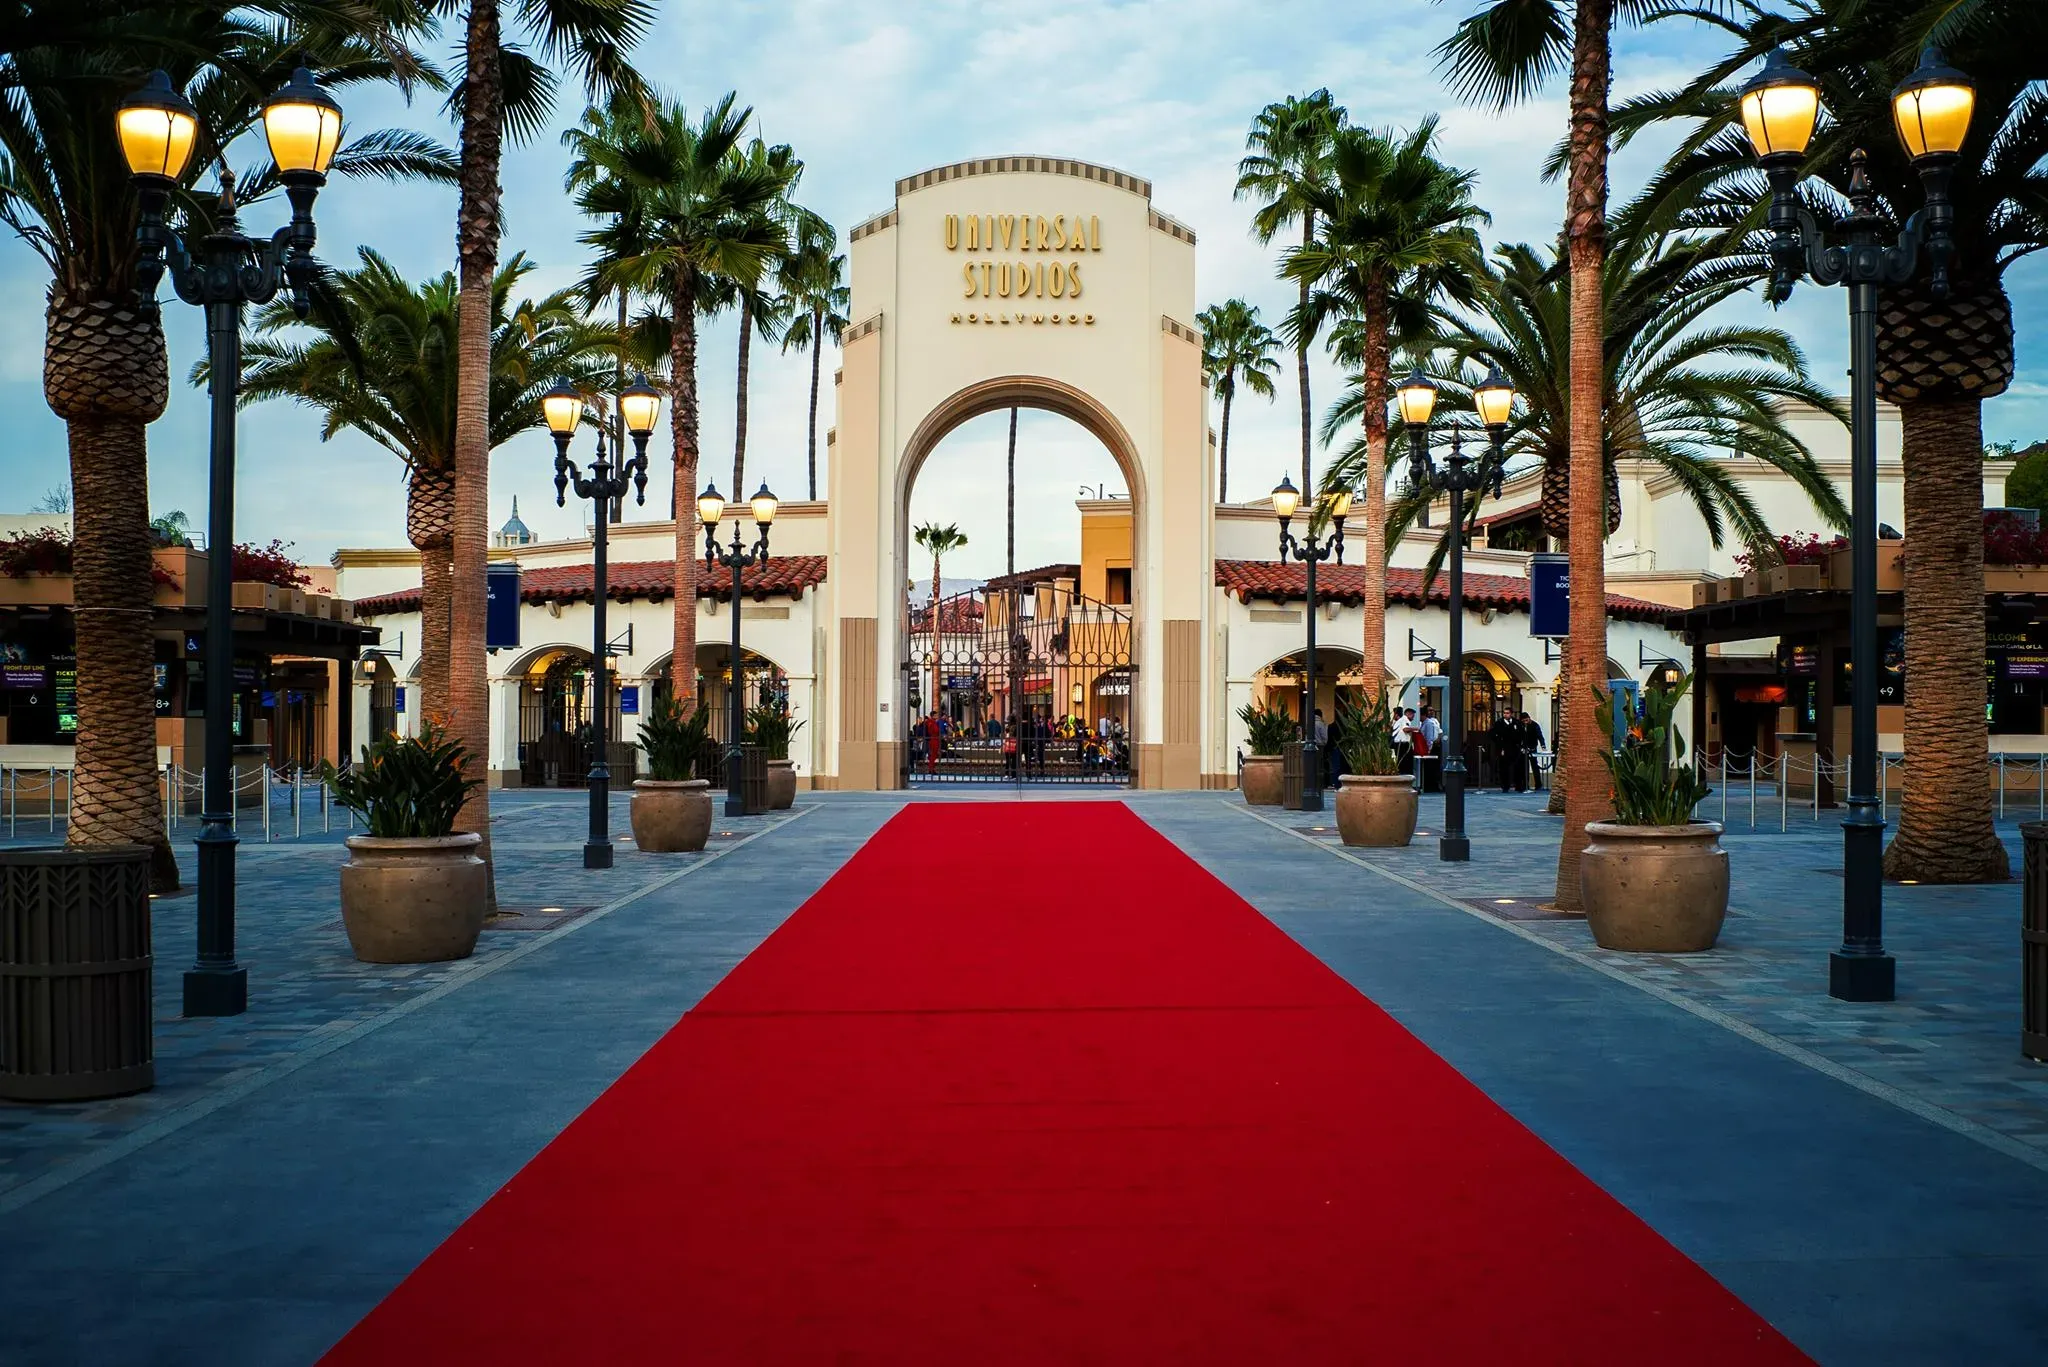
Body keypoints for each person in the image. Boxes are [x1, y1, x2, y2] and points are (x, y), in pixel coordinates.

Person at [1491, 711, 1521, 793]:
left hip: (1514, 748)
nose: (1505, 714)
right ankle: (1505, 786)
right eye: (1504, 713)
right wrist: (1499, 745)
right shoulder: (1499, 723)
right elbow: (1493, 734)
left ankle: (1518, 785)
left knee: (1517, 767)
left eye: (1507, 713)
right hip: (1503, 748)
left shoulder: (1516, 722)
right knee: (1503, 768)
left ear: (1511, 714)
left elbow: (1521, 734)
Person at [1519, 711, 1547, 791]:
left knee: (1535, 767)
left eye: (1526, 720)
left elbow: (1540, 736)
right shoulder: (1521, 725)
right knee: (1525, 767)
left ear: (1529, 718)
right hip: (1524, 749)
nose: (1525, 722)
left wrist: (1543, 745)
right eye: (1523, 721)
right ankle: (1525, 785)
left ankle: (1538, 784)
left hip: (1532, 748)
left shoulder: (1535, 725)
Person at [1418, 706, 1442, 793]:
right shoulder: (1423, 723)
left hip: (1431, 747)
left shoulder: (1431, 722)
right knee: (1428, 767)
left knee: (1432, 767)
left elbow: (1430, 737)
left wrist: (1429, 749)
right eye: (1429, 710)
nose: (1431, 712)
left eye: (1432, 710)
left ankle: (1432, 786)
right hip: (1426, 747)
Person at [1392, 706, 1415, 775]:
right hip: (1403, 745)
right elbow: (1405, 729)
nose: (1413, 718)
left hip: (1399, 745)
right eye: (1413, 716)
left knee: (1401, 764)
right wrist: (1416, 729)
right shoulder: (1405, 719)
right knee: (1407, 764)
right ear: (1408, 714)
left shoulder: (1399, 721)